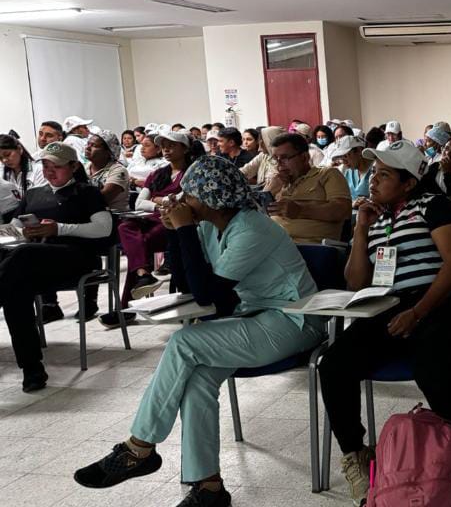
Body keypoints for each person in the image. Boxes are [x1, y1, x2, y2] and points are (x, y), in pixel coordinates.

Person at [75, 156, 326, 507]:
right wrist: (180, 234)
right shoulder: (211, 226)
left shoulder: (252, 228)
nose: (180, 202)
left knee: (183, 343)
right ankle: (209, 488)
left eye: (188, 195)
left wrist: (184, 230)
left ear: (211, 198)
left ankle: (139, 448)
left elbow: (212, 295)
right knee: (197, 382)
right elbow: (187, 283)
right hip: (251, 317)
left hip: (293, 321)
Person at [317, 140, 451, 507]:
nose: (373, 180)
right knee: (334, 364)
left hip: (436, 301)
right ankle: (356, 455)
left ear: (409, 182)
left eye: (384, 175)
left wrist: (417, 313)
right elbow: (356, 282)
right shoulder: (378, 218)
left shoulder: (434, 206)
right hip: (387, 305)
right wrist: (360, 228)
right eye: (374, 173)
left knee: (432, 360)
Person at [1, 142, 114, 390]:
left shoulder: (86, 193)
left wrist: (59, 228)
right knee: (14, 291)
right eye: (45, 165)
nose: (50, 171)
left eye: (57, 167)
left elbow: (104, 228)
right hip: (36, 263)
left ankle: (33, 370)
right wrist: (23, 231)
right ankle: (32, 370)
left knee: (23, 255)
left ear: (73, 167)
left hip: (78, 259)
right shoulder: (34, 194)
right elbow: (13, 226)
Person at [105, 131, 203, 328]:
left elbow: (179, 200)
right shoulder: (158, 174)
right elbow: (140, 203)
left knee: (138, 248)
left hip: (174, 222)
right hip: (150, 219)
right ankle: (143, 275)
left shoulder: (193, 172)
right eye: (163, 145)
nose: (166, 149)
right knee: (125, 227)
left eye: (171, 145)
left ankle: (127, 304)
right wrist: (159, 204)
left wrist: (159, 201)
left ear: (184, 148)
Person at [267, 133, 351, 244]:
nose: (279, 164)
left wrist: (300, 210)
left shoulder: (327, 174)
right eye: (275, 159)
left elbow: (342, 210)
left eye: (285, 158)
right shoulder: (277, 182)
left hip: (310, 248)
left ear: (304, 157)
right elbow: (254, 215)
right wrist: (269, 191)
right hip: (272, 244)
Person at [85, 130, 131, 212]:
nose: (88, 148)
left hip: (115, 218)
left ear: (108, 152)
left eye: (94, 145)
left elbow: (102, 199)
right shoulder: (85, 168)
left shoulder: (119, 170)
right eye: (88, 144)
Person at [326, 135, 372, 202]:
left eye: (345, 156)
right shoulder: (348, 171)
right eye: (341, 158)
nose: (344, 162)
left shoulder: (375, 169)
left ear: (359, 150)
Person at [240, 126, 285, 192]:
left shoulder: (285, 162)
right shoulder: (264, 155)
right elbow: (246, 170)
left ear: (271, 142)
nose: (260, 145)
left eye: (263, 141)